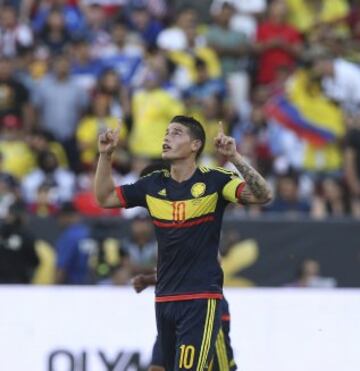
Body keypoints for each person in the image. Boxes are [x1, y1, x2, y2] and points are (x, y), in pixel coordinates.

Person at [95, 115, 272, 370]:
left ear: (195, 145)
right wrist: (105, 156)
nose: (166, 137)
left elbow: (263, 195)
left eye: (176, 133)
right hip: (165, 298)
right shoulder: (152, 185)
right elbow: (104, 198)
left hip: (200, 298)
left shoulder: (215, 180)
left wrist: (234, 157)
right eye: (166, 132)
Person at [132, 272, 237, 371]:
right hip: (173, 300)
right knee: (158, 365)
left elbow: (214, 260)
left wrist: (149, 280)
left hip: (201, 298)